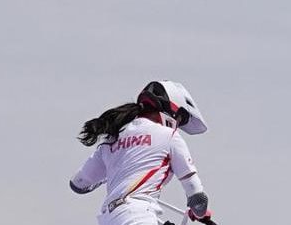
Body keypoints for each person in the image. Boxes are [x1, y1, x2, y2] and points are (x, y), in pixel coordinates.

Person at [70, 81, 216, 225]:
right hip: (138, 216)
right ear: (172, 110)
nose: (177, 124)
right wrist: (200, 212)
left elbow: (78, 184)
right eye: (180, 118)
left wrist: (119, 169)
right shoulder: (169, 135)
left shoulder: (111, 139)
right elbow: (197, 197)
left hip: (109, 218)